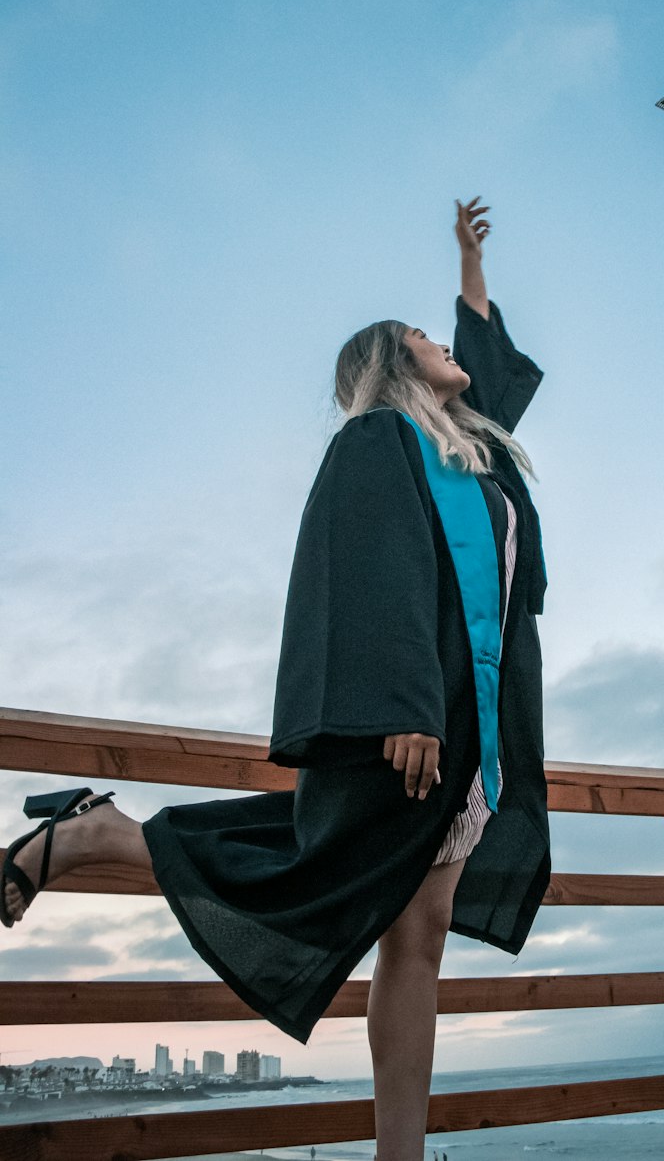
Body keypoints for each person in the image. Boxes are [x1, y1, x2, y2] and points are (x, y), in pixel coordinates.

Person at [2, 197, 551, 1161]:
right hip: (412, 722)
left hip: (480, 729)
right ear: (389, 365)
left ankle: (400, 1154)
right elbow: (369, 572)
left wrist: (468, 266)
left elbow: (490, 369)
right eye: (424, 337)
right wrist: (403, 705)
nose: (446, 342)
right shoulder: (380, 443)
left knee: (417, 935)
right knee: (306, 872)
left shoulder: (474, 454)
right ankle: (97, 833)